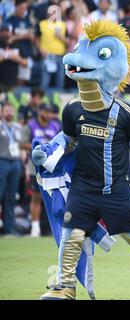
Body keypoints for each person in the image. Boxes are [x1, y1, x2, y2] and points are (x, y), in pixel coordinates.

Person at [37, 20, 130, 300]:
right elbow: (68, 143)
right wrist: (48, 155)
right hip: (83, 188)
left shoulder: (129, 113)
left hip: (117, 190)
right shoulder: (73, 110)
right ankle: (65, 287)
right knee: (71, 235)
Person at [22, 103, 61, 237]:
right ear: (39, 111)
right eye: (46, 111)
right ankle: (35, 228)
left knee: (54, 198)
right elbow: (22, 143)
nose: (48, 114)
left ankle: (52, 228)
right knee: (36, 198)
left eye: (50, 112)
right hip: (36, 167)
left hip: (52, 167)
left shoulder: (56, 126)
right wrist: (40, 146)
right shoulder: (31, 125)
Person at [0, 102, 26, 235]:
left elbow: (20, 146)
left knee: (11, 197)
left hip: (15, 162)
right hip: (2, 161)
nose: (9, 112)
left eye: (11, 110)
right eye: (6, 110)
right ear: (2, 112)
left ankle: (8, 229)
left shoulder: (18, 127)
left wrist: (24, 164)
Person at [34, 6, 68, 91]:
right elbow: (36, 39)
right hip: (46, 56)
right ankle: (42, 100)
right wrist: (40, 50)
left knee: (60, 80)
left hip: (60, 56)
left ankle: (59, 99)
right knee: (44, 80)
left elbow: (69, 42)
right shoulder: (42, 24)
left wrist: (61, 37)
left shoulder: (64, 25)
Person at [5, 0, 33, 86]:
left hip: (26, 53)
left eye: (24, 9)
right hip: (14, 53)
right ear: (16, 7)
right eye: (21, 8)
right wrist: (23, 36)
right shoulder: (10, 20)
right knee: (12, 78)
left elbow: (31, 35)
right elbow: (8, 38)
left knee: (23, 78)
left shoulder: (27, 21)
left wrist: (16, 37)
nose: (23, 11)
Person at [0, 22, 28, 92]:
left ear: (11, 32)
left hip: (13, 81)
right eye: (3, 31)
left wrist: (19, 59)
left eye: (7, 31)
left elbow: (27, 63)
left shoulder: (17, 46)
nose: (5, 33)